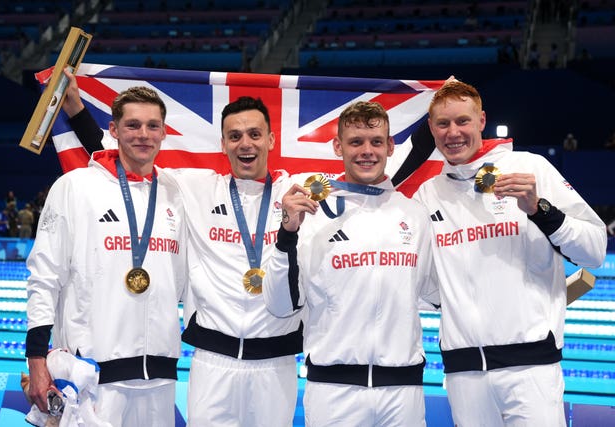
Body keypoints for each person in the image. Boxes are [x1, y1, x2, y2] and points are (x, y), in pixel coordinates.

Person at [61, 71, 440, 426]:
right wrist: (77, 111)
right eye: (236, 135)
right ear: (223, 143)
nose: (246, 143)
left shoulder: (301, 191)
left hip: (276, 365)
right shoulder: (193, 188)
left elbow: (378, 167)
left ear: (271, 140)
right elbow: (130, 155)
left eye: (255, 134)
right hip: (212, 364)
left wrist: (436, 114)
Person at [414, 80, 607, 426]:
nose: (453, 132)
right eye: (443, 124)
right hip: (464, 373)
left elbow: (594, 249)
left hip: (531, 368)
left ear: (481, 120)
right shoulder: (427, 195)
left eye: (462, 121)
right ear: (431, 128)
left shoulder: (530, 168)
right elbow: (423, 282)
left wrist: (539, 209)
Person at [263, 101, 439, 426]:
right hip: (333, 391)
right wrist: (287, 233)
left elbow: (437, 294)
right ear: (337, 146)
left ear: (390, 147)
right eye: (356, 142)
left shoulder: (413, 215)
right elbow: (279, 303)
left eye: (375, 142)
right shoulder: (311, 215)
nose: (366, 152)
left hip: (402, 392)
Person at [25, 85, 190, 426]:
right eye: (132, 125)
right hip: (93, 379)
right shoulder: (75, 187)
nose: (143, 134)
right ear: (113, 130)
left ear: (163, 132)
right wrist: (36, 361)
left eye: (152, 126)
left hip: (159, 378)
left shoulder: (177, 191)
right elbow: (44, 277)